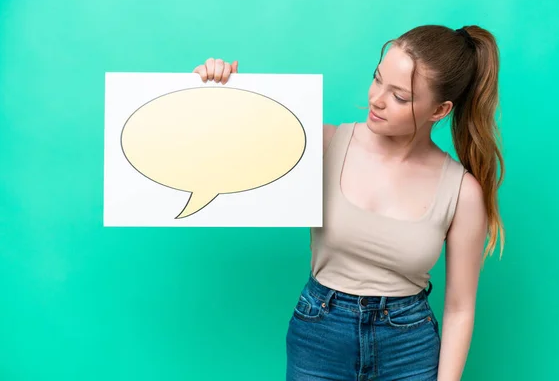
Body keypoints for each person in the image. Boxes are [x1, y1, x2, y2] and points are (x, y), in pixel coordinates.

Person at [193, 24, 504, 381]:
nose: (377, 99)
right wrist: (217, 88)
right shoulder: (322, 144)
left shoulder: (462, 192)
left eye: (400, 96)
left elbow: (460, 308)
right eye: (377, 79)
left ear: (440, 110)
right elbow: (224, 146)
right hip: (319, 335)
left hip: (409, 346)